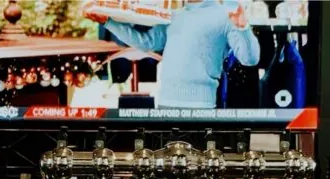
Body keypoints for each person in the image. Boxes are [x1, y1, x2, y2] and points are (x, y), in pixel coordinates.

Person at [87, 0, 260, 109]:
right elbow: (146, 43)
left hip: (201, 107)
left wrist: (243, 27)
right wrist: (108, 22)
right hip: (165, 104)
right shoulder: (172, 15)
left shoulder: (225, 16)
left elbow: (250, 59)